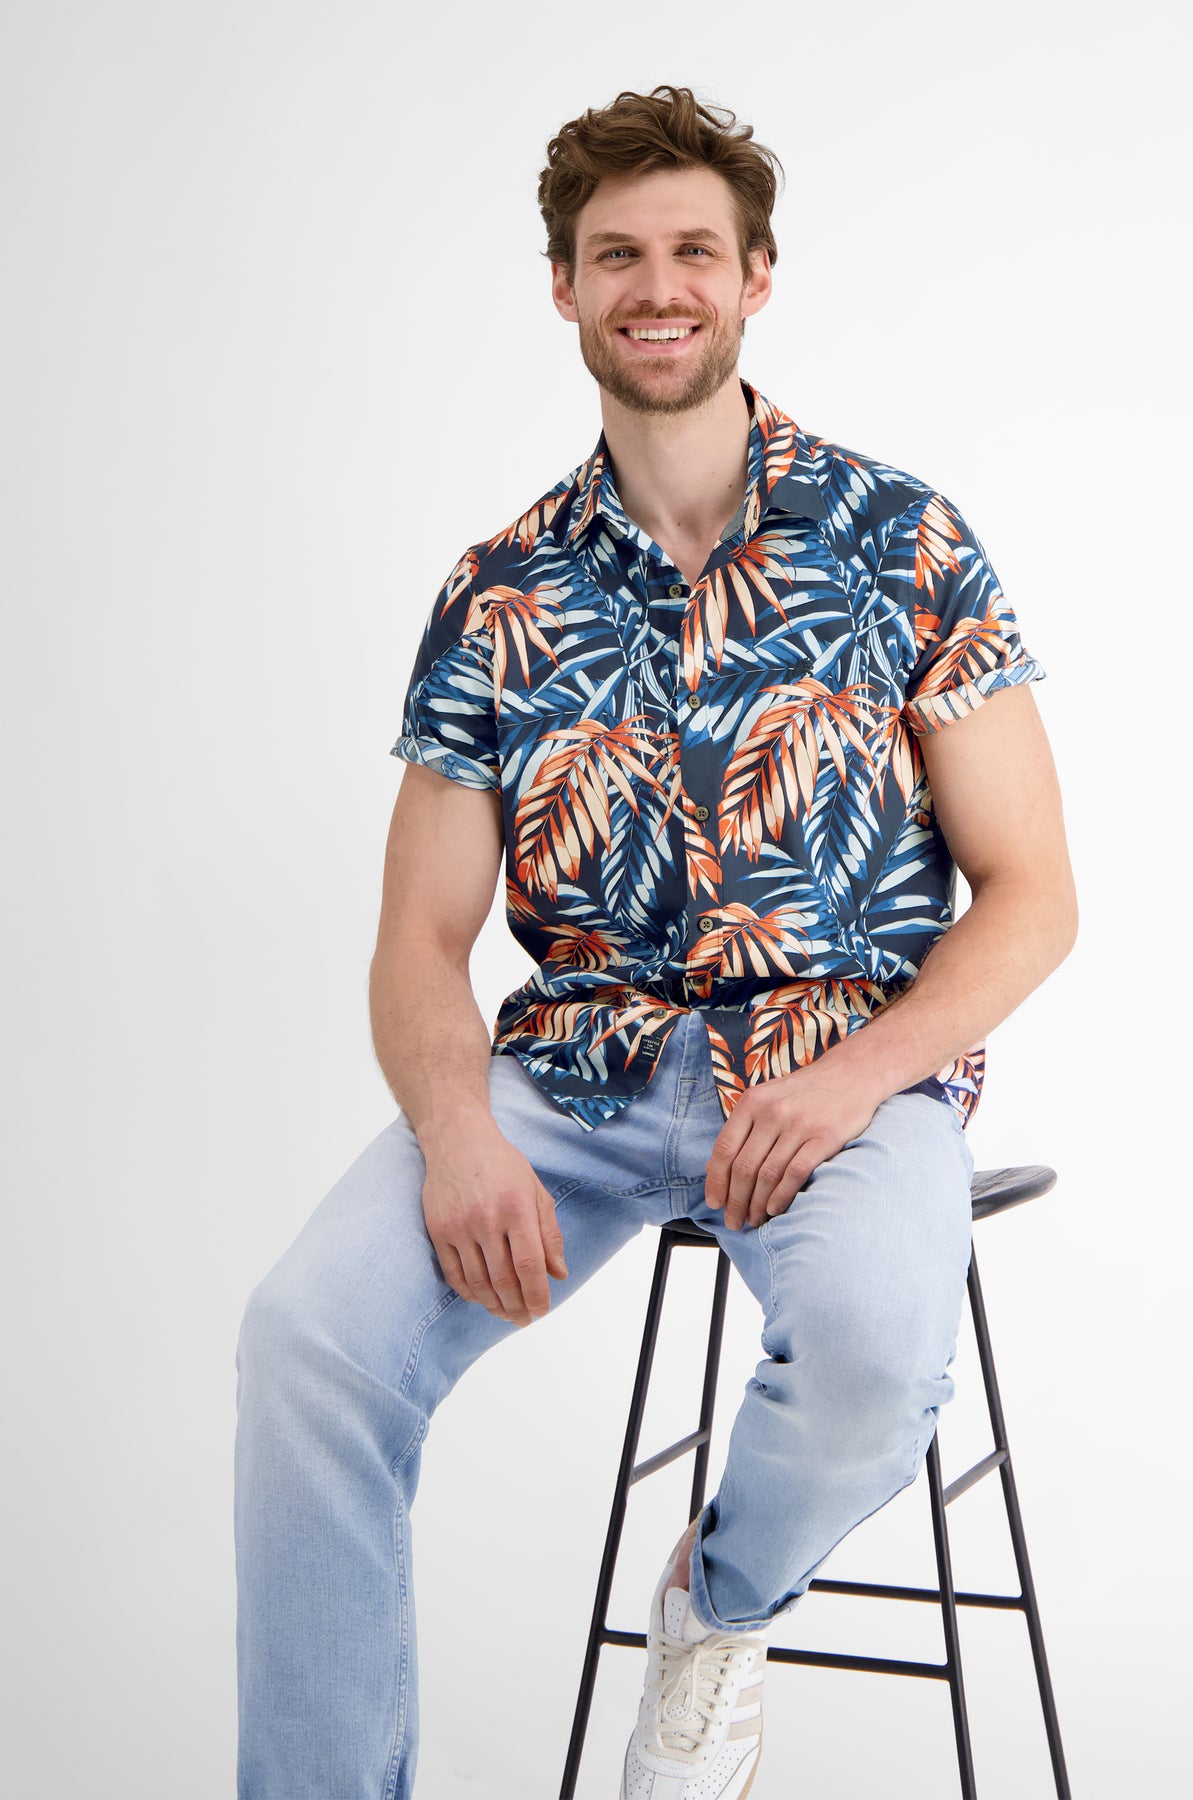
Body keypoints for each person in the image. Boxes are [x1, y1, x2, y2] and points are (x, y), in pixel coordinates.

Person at [233, 83, 1077, 1800]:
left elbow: (1032, 895)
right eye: (615, 255)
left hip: (840, 1069)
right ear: (563, 287)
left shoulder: (900, 542)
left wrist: (853, 1081)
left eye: (694, 249)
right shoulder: (499, 593)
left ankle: (717, 1603)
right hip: (577, 1077)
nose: (656, 285)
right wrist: (458, 1134)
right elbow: (419, 935)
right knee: (306, 1345)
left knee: (871, 1349)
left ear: (755, 276)